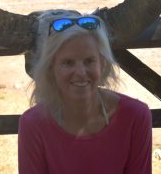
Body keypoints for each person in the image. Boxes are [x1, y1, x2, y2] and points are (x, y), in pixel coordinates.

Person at [18, 15, 152, 174]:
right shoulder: (33, 124)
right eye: (68, 63)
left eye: (89, 61)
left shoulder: (135, 117)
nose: (81, 73)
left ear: (103, 64)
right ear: (51, 69)